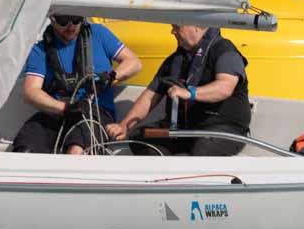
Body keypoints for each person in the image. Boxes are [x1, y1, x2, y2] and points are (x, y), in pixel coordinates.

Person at [106, 24, 250, 156]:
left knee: (204, 149)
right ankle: (162, 179)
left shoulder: (224, 51)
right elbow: (149, 97)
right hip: (184, 131)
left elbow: (225, 87)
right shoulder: (174, 61)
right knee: (139, 139)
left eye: (177, 26)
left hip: (222, 129)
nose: (172, 31)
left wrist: (190, 93)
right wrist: (124, 125)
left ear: (196, 27)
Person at [12, 14, 141, 155]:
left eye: (76, 20)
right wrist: (65, 108)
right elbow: (30, 91)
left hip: (95, 113)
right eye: (63, 21)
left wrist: (110, 78)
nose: (71, 26)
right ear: (52, 18)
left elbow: (134, 62)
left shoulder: (98, 33)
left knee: (76, 150)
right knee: (26, 148)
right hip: (57, 113)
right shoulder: (39, 50)